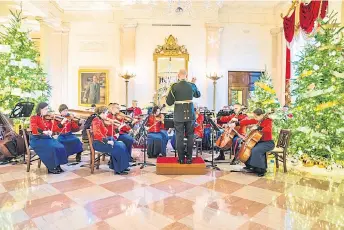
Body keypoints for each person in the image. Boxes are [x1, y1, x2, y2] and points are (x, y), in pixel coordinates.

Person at [166, 69, 201, 164]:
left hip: (179, 114)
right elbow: (198, 95)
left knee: (179, 136)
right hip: (190, 114)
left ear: (178, 75)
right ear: (187, 75)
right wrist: (194, 84)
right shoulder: (191, 85)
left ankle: (181, 158)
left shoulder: (174, 86)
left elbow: (169, 102)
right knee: (190, 135)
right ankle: (189, 158)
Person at [229, 108, 275, 177]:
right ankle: (250, 166)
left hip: (268, 143)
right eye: (254, 117)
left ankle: (261, 169)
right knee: (249, 149)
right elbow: (248, 121)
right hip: (259, 142)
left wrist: (258, 128)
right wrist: (236, 123)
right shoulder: (258, 120)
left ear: (262, 115)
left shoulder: (268, 121)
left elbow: (268, 130)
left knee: (256, 150)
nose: (255, 118)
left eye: (256, 117)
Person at [29, 102, 68, 174]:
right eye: (45, 109)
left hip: (45, 138)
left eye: (47, 109)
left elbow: (54, 129)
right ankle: (51, 167)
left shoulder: (47, 119)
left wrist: (61, 123)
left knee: (59, 146)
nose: (47, 111)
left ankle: (57, 165)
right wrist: (44, 132)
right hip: (37, 139)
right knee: (51, 147)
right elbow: (34, 127)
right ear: (40, 109)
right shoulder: (34, 117)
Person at [91, 106, 130, 175]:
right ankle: (118, 169)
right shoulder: (96, 120)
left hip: (102, 141)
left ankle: (122, 166)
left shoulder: (100, 120)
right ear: (102, 113)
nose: (106, 115)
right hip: (99, 143)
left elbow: (104, 133)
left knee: (122, 144)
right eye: (106, 113)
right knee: (118, 147)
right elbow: (97, 134)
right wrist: (107, 141)